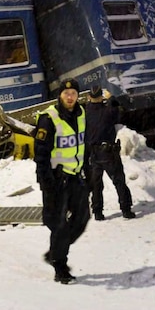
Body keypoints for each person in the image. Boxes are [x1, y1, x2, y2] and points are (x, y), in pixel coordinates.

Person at [33, 78, 90, 284]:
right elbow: (40, 156)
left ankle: (55, 252)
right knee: (59, 225)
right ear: (60, 95)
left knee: (82, 220)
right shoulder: (49, 118)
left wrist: (89, 175)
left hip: (75, 177)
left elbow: (85, 146)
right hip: (56, 180)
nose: (70, 96)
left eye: (74, 93)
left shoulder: (82, 114)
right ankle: (60, 266)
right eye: (66, 93)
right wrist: (48, 185)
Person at [84, 85, 135, 221]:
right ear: (101, 97)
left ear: (89, 97)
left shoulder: (86, 112)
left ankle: (98, 212)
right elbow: (121, 111)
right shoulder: (108, 111)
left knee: (96, 185)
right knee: (119, 181)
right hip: (109, 153)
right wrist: (111, 98)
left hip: (93, 154)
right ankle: (126, 210)